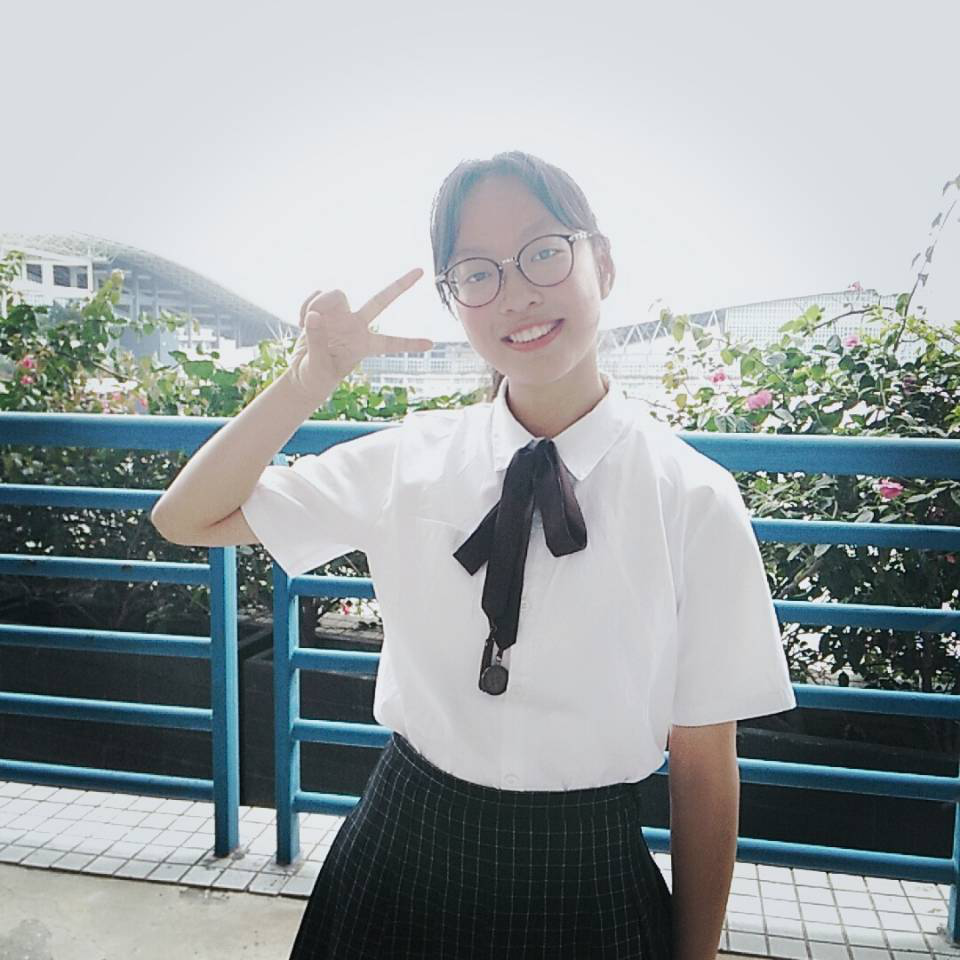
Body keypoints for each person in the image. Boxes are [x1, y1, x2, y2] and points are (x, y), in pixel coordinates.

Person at [151, 150, 797, 959]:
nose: (516, 293)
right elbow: (187, 516)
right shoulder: (408, 459)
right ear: (454, 300)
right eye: (477, 273)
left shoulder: (692, 499)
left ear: (602, 263)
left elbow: (703, 767)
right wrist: (307, 382)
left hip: (587, 879)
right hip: (400, 850)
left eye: (544, 252)